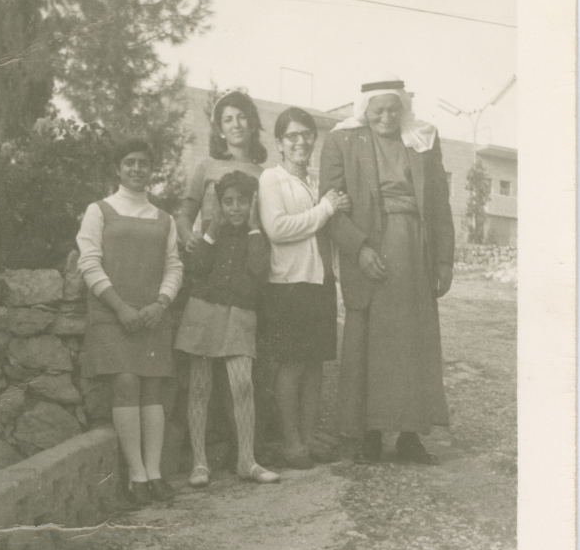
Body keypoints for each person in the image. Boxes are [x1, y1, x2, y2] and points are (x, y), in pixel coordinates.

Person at [319, 74, 455, 465]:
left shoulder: (423, 140)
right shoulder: (342, 140)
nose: (386, 117)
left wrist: (443, 259)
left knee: (413, 344)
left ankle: (410, 436)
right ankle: (369, 435)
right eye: (378, 110)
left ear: (404, 107)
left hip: (416, 248)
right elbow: (331, 203)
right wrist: (359, 248)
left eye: (393, 109)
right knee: (369, 345)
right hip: (370, 248)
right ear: (365, 109)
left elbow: (440, 205)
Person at [77, 138, 183, 508]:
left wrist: (161, 303)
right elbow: (89, 263)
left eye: (143, 163)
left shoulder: (164, 218)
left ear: (151, 170)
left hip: (152, 317)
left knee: (153, 387)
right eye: (129, 162)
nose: (137, 168)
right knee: (126, 381)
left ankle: (155, 474)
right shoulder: (99, 210)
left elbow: (174, 266)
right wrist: (120, 308)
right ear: (118, 168)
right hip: (112, 317)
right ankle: (137, 475)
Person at [258, 107, 351, 469]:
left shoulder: (315, 182)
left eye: (306, 135)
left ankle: (309, 440)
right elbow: (277, 228)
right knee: (292, 365)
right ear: (279, 144)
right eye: (291, 136)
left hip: (320, 282)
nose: (300, 142)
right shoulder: (272, 179)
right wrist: (326, 208)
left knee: (315, 366)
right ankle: (291, 443)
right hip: (288, 283)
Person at [175, 171, 280, 487]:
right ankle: (200, 463)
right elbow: (196, 267)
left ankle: (246, 461)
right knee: (200, 387)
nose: (235, 208)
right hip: (204, 312)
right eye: (228, 202)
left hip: (240, 315)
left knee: (243, 385)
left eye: (242, 202)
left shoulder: (255, 236)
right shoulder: (212, 233)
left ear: (252, 204)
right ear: (219, 205)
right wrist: (211, 228)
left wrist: (253, 229)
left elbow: (260, 270)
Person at [176, 89, 268, 251]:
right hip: (210, 257)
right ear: (220, 130)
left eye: (242, 117)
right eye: (228, 120)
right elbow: (184, 218)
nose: (236, 125)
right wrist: (190, 238)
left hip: (249, 259)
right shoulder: (205, 166)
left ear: (253, 124)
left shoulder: (265, 175)